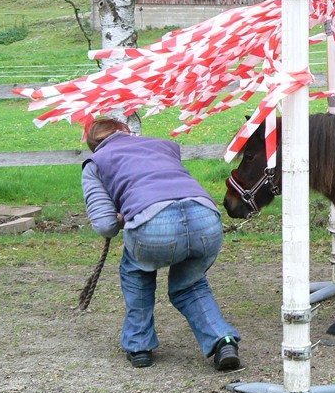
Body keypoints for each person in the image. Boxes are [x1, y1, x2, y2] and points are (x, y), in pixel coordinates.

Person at [81, 118, 241, 371]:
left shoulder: (96, 163)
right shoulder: (163, 145)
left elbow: (104, 226)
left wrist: (123, 218)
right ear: (126, 131)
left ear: (94, 146)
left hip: (154, 226)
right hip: (205, 217)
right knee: (190, 285)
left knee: (136, 270)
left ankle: (139, 346)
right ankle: (224, 341)